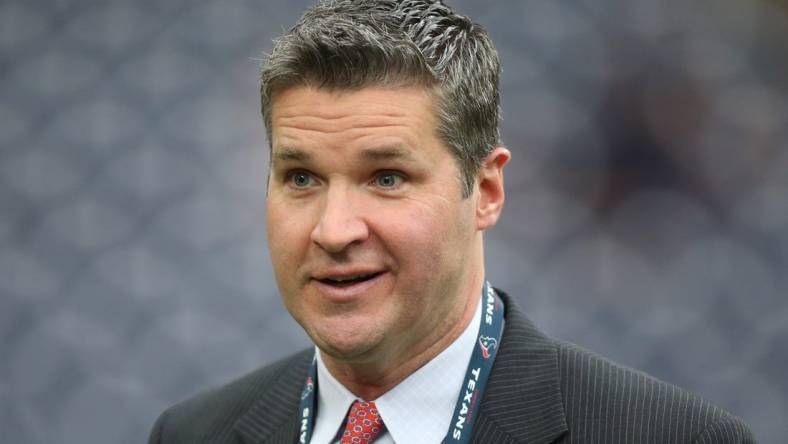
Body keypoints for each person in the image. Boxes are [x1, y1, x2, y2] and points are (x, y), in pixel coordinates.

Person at [148, 1, 755, 443]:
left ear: (486, 191)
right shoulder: (191, 434)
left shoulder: (669, 436)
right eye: (301, 178)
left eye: (386, 178)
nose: (333, 232)